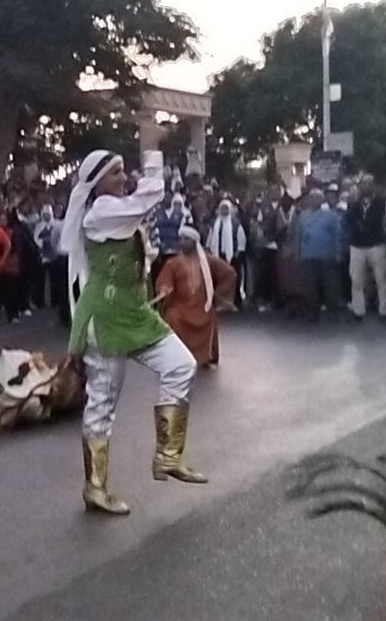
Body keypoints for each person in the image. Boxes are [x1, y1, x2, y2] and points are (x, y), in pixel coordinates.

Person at [60, 149, 204, 517]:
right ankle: (95, 487)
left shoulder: (116, 213)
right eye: (116, 173)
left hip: (135, 312)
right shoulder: (101, 212)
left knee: (181, 365)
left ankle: (169, 454)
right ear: (96, 182)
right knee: (102, 406)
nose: (124, 178)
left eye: (124, 171)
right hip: (106, 317)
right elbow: (150, 196)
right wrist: (154, 161)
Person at [155, 225, 237, 368]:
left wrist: (217, 296)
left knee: (210, 315)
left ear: (194, 242)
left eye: (186, 239)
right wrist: (165, 289)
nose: (182, 242)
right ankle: (177, 357)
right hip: (180, 308)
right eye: (181, 239)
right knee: (172, 316)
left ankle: (206, 357)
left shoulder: (208, 261)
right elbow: (164, 281)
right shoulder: (173, 263)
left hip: (202, 307)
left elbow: (229, 273)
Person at [346, 173, 386, 321]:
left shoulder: (381, 202)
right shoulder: (354, 202)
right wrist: (358, 223)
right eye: (364, 184)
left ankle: (383, 310)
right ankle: (358, 311)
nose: (366, 187)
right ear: (360, 186)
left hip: (376, 243)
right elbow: (349, 218)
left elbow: (380, 218)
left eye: (369, 184)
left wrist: (365, 225)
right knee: (356, 279)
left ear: (374, 186)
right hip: (357, 244)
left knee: (380, 278)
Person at [295, 190, 344, 322]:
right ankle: (312, 312)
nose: (314, 200)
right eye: (311, 197)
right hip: (308, 255)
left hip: (327, 256)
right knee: (310, 286)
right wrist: (297, 253)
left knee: (330, 286)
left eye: (317, 197)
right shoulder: (302, 216)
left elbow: (337, 235)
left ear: (322, 200)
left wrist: (338, 252)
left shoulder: (331, 215)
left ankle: (332, 312)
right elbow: (298, 235)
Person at [207, 199, 246, 307]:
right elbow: (210, 238)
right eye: (222, 208)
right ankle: (217, 302)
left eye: (226, 208)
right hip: (218, 255)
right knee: (217, 279)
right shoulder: (215, 223)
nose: (224, 210)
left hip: (232, 256)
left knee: (234, 278)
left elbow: (241, 239)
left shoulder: (235, 223)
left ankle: (236, 302)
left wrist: (238, 252)